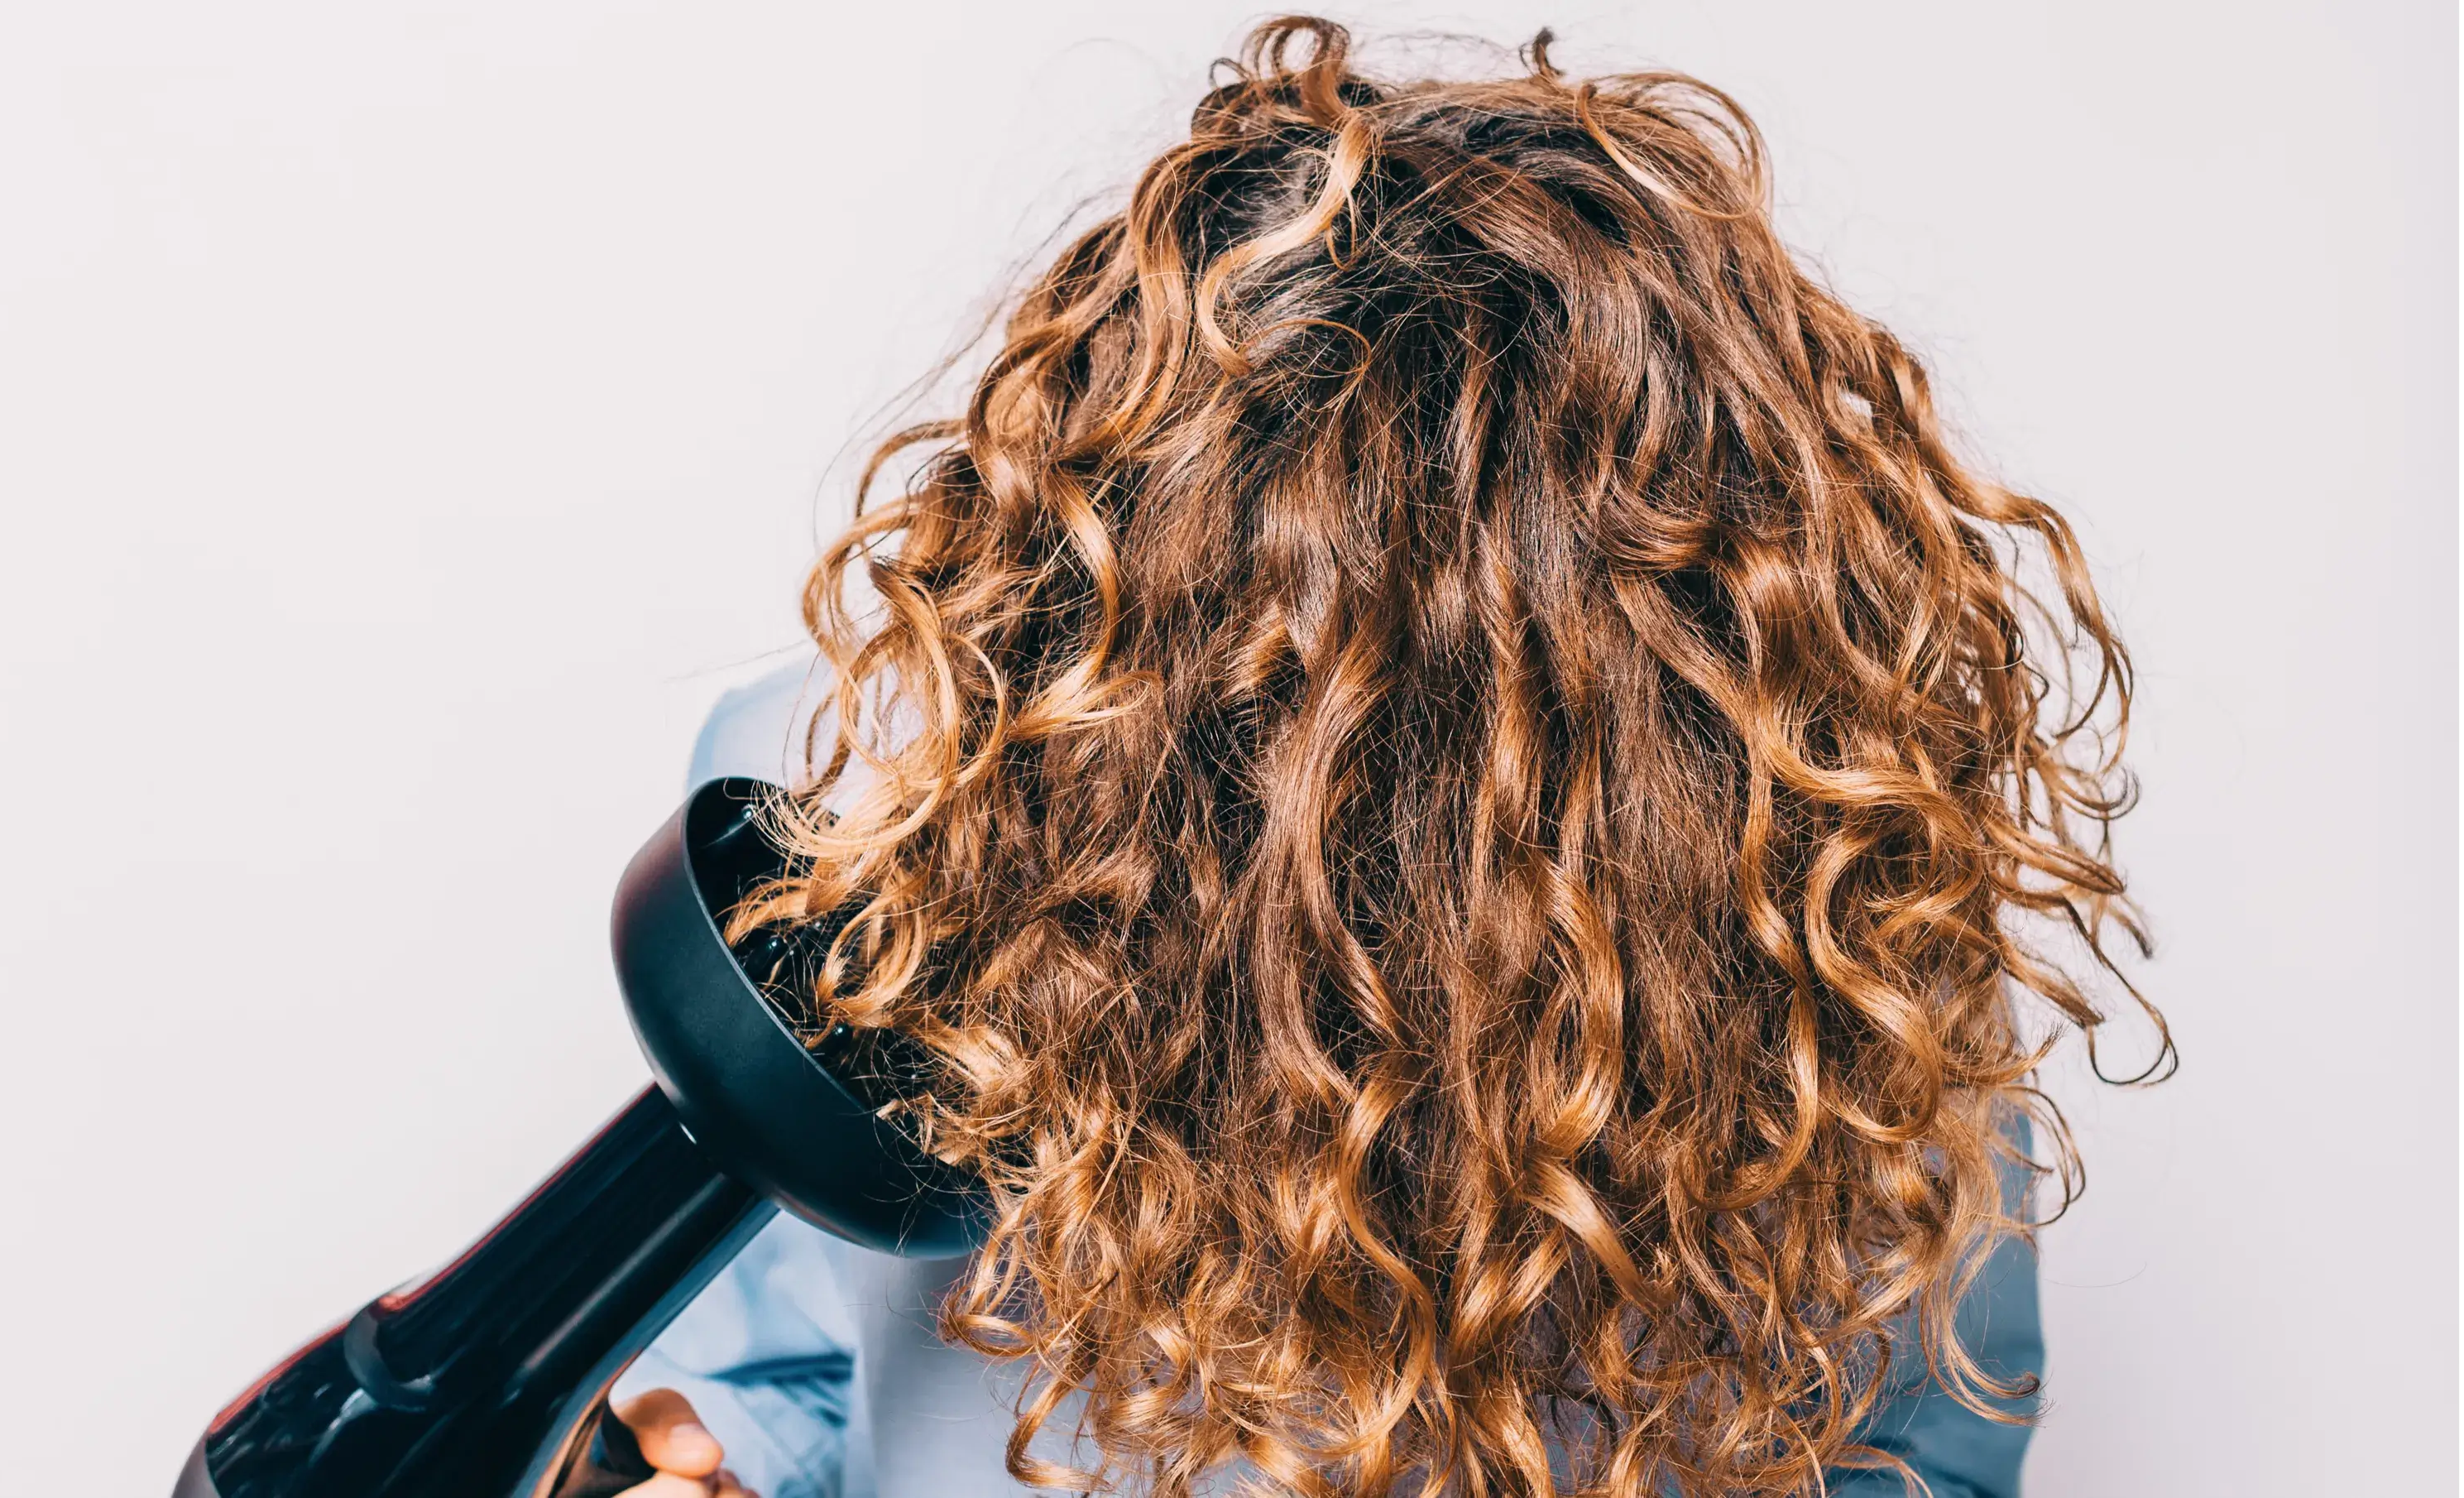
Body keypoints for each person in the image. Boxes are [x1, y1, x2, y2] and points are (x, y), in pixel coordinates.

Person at [606, 17, 2153, 1497]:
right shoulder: (856, 794)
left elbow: (1928, 1458)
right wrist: (719, 1449)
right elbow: (801, 1354)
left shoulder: (1829, 915)